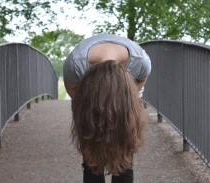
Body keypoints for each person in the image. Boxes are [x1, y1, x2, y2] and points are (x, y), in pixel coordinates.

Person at [63, 33, 151, 183]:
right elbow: (76, 98)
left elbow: (142, 79)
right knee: (92, 157)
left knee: (124, 158)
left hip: (125, 101)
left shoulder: (140, 62)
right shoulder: (75, 64)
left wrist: (125, 99)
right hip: (89, 102)